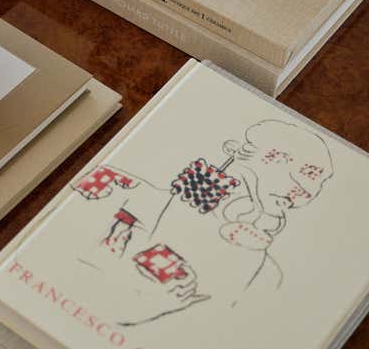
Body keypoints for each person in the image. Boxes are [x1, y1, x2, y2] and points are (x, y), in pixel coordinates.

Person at [71, 119, 332, 326]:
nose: (304, 192)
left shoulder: (265, 273)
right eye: (283, 161)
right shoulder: (123, 189)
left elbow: (218, 324)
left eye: (313, 180)